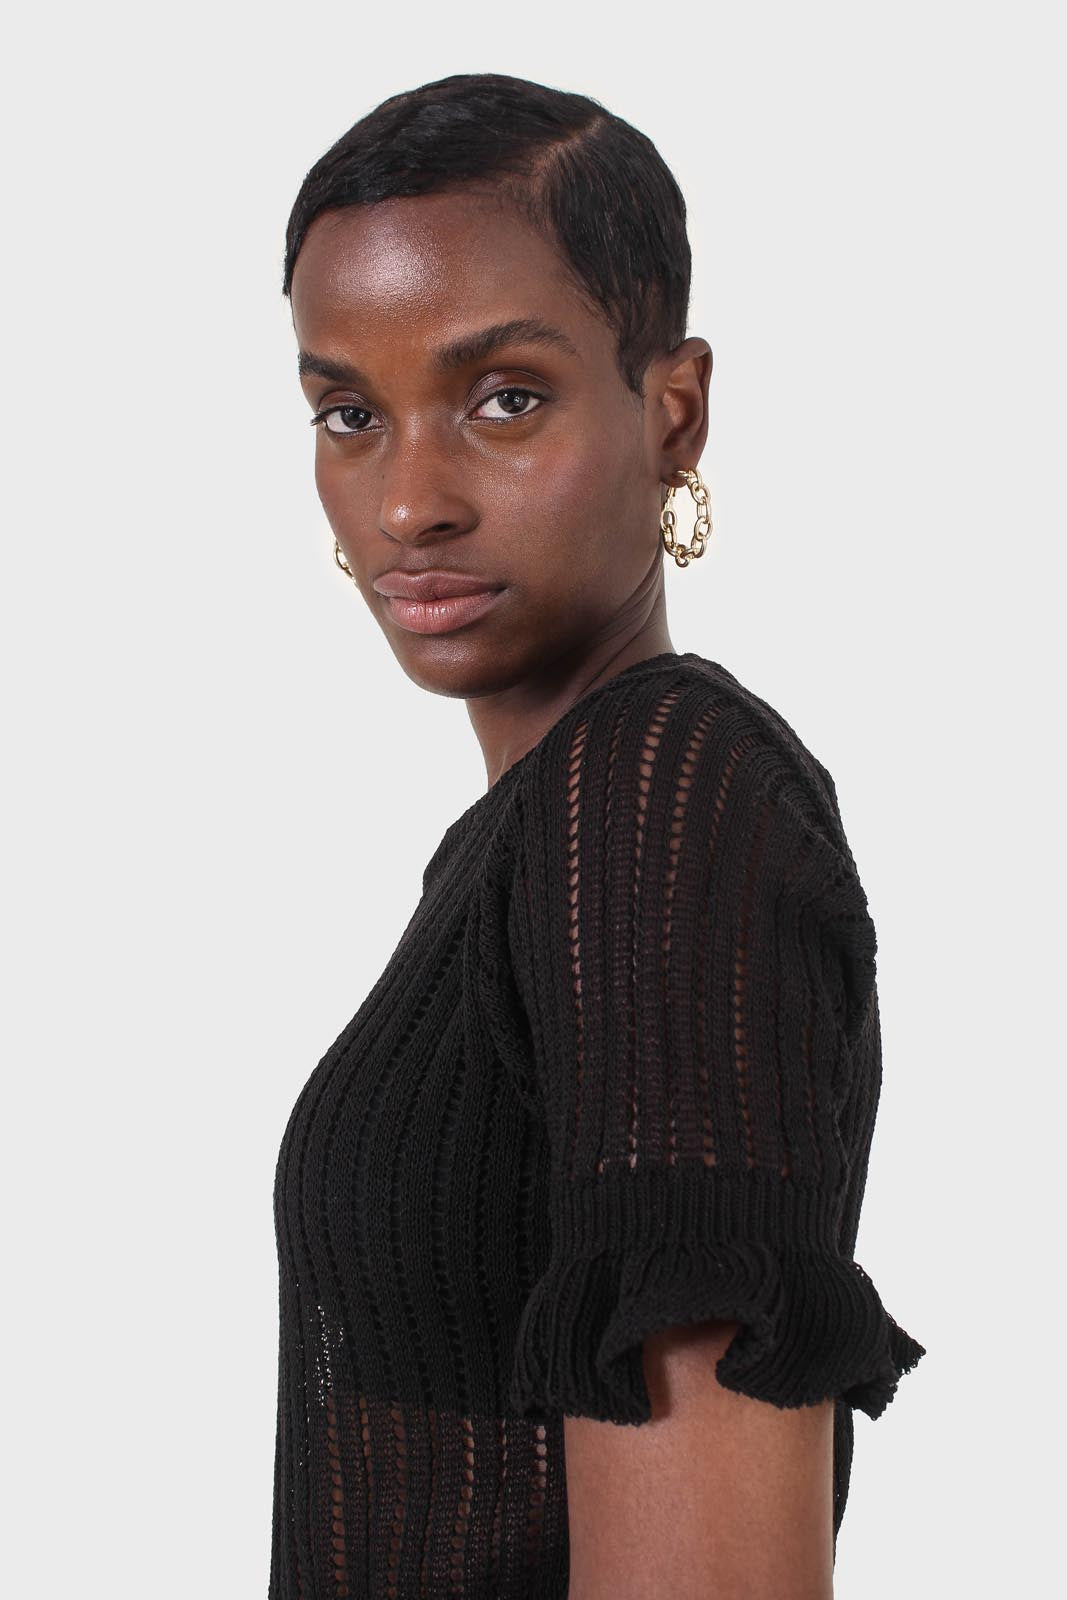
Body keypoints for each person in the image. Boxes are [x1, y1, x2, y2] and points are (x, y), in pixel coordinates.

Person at [269, 71, 925, 1600]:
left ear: (671, 411)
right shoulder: (531, 840)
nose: (409, 502)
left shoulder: (662, 800)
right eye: (350, 414)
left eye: (504, 397)